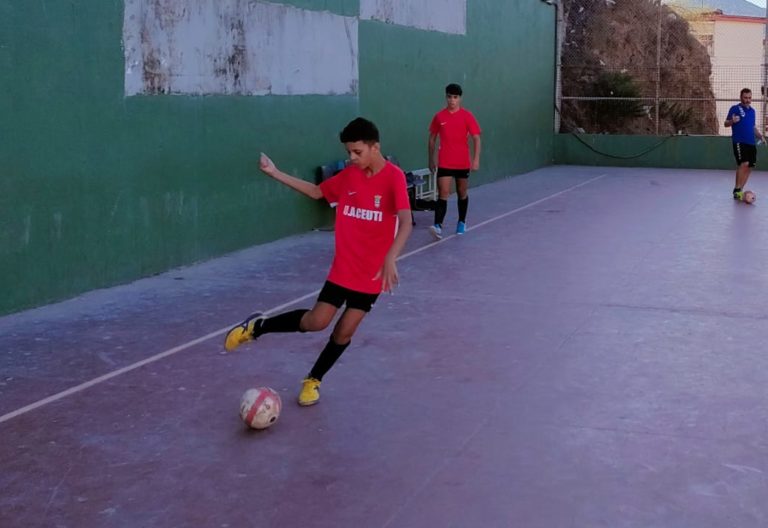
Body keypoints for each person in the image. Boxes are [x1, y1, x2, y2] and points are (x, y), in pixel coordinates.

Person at [224, 117, 412, 406]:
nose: (351, 157)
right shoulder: (349, 176)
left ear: (375, 147)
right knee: (317, 322)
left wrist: (391, 257)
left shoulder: (394, 177)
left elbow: (406, 221)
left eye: (357, 152)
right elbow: (315, 192)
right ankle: (257, 327)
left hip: (372, 275)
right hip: (344, 269)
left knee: (345, 331)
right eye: (349, 152)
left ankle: (313, 380)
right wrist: (275, 173)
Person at [427, 83, 482, 239]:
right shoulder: (439, 116)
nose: (452, 100)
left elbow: (476, 138)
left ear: (460, 99)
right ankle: (437, 225)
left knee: (462, 192)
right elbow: (432, 139)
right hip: (444, 162)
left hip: (462, 162)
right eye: (449, 97)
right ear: (446, 97)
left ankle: (462, 221)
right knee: (443, 193)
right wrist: (431, 160)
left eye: (455, 97)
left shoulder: (467, 116)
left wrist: (476, 159)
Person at [725, 88, 764, 200]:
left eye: (749, 98)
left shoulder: (752, 111)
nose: (747, 100)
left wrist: (760, 136)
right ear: (741, 97)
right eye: (745, 98)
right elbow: (726, 123)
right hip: (739, 141)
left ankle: (740, 190)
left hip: (751, 143)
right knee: (744, 163)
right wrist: (732, 121)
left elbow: (753, 127)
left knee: (750, 166)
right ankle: (736, 189)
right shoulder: (735, 108)